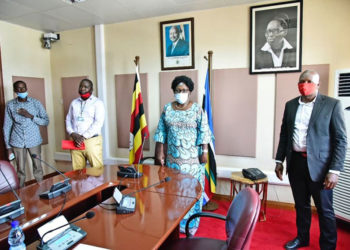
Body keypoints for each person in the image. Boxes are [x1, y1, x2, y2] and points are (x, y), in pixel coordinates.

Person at [275, 70, 347, 250]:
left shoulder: (332, 105)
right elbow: (285, 134)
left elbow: (340, 139)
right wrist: (279, 160)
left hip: (321, 167)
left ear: (318, 84)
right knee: (301, 205)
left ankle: (328, 246)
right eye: (302, 81)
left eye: (309, 81)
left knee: (325, 210)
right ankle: (302, 238)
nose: (305, 84)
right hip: (296, 163)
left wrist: (334, 170)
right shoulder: (290, 105)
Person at [154, 75, 211, 235]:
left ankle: (191, 226)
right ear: (173, 91)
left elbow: (204, 131)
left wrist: (205, 151)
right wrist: (159, 153)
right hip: (173, 161)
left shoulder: (197, 109)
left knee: (191, 194)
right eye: (178, 90)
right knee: (174, 194)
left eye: (184, 90)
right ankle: (175, 223)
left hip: (193, 162)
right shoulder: (167, 109)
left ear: (190, 91)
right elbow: (161, 131)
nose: (181, 93)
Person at [3, 80, 49, 187]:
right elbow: (7, 126)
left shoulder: (35, 103)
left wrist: (30, 116)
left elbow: (45, 121)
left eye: (23, 88)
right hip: (17, 141)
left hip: (34, 141)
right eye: (18, 88)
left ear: (26, 88)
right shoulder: (10, 105)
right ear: (15, 90)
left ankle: (41, 188)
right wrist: (8, 147)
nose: (22, 90)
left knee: (37, 166)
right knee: (20, 170)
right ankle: (21, 194)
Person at [65, 79, 105, 170]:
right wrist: (72, 133)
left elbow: (98, 123)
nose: (82, 88)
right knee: (77, 171)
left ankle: (96, 185)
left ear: (91, 89)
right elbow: (68, 119)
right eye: (81, 86)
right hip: (75, 141)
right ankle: (80, 185)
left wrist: (83, 137)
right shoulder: (74, 103)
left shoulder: (98, 103)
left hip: (91, 141)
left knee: (96, 170)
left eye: (86, 87)